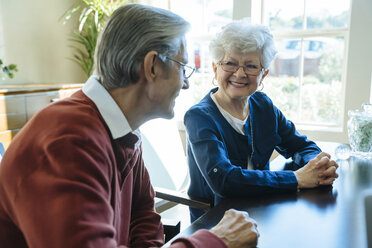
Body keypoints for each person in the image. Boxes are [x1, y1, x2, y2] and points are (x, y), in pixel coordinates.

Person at [0, 4, 259, 248]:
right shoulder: (68, 140)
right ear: (152, 66)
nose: (186, 84)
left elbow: (143, 219)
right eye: (182, 67)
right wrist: (216, 241)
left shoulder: (123, 129)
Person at [184, 20, 339, 221]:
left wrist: (317, 167)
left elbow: (301, 145)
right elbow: (224, 180)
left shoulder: (263, 105)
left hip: (262, 210)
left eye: (251, 66)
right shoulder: (199, 117)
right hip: (217, 221)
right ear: (215, 68)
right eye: (230, 63)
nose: (239, 74)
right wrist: (297, 178)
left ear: (263, 74)